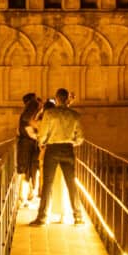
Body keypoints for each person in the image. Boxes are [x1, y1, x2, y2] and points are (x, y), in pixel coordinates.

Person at [28, 87, 85, 227]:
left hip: (52, 150)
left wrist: (42, 142)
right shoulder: (75, 115)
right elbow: (80, 138)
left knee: (47, 184)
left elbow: (42, 135)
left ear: (57, 99)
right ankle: (78, 217)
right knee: (71, 184)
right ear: (67, 99)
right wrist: (71, 142)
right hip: (68, 149)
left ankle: (42, 218)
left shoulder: (50, 114)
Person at [16, 92, 42, 204]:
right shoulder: (34, 104)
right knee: (27, 170)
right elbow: (28, 122)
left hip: (27, 143)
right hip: (28, 144)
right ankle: (23, 196)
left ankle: (26, 195)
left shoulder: (27, 110)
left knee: (27, 170)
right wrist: (39, 129)